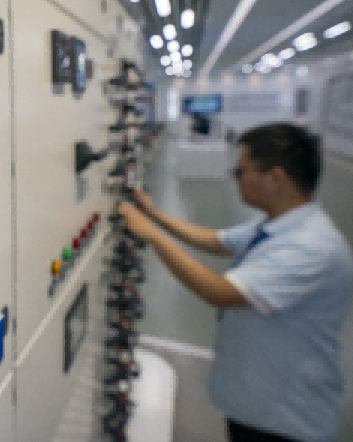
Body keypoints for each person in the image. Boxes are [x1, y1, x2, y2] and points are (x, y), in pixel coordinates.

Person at [118, 123, 353, 442]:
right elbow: (215, 240)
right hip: (259, 404)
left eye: (241, 171)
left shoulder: (312, 246)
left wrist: (151, 235)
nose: (235, 178)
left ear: (276, 178)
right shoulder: (279, 225)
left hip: (284, 421)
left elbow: (219, 291)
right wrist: (153, 214)